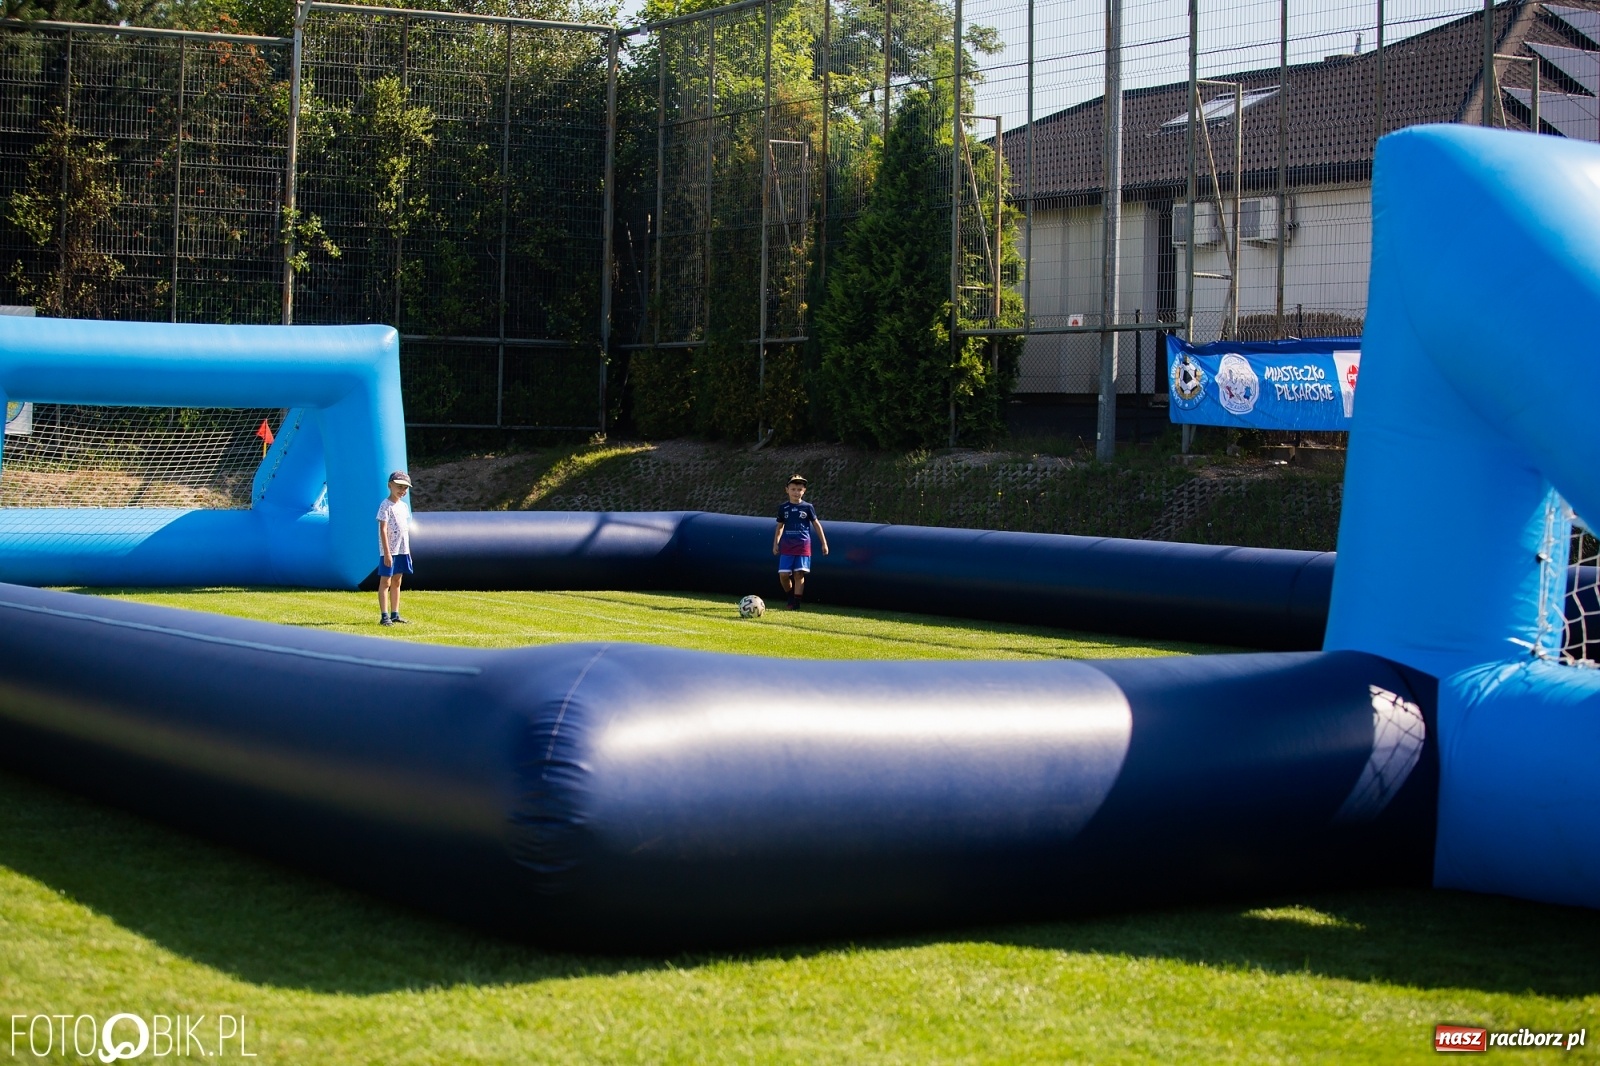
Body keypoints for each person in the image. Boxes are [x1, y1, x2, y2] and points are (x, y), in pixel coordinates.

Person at [772, 474, 828, 610]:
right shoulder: (783, 508)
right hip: (787, 546)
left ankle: (796, 603)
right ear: (787, 490)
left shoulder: (808, 507)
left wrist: (824, 543)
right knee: (784, 575)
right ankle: (790, 597)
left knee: (799, 573)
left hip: (803, 545)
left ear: (804, 491)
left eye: (799, 489)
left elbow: (816, 524)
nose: (796, 492)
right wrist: (776, 543)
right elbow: (780, 527)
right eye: (793, 489)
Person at [376, 471, 413, 626]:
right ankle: (384, 616)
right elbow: (383, 529)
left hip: (402, 549)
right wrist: (387, 553)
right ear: (389, 485)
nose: (402, 490)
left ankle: (395, 613)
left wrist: (408, 551)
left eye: (405, 488)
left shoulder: (403, 506)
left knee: (397, 580)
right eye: (399, 486)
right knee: (386, 582)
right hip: (390, 551)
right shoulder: (386, 505)